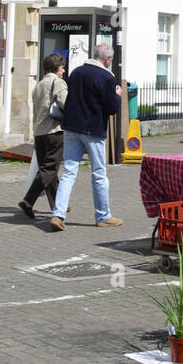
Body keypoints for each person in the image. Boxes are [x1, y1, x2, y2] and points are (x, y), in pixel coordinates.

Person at [49, 42, 123, 231]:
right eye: (110, 59)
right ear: (107, 59)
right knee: (99, 173)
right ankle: (103, 215)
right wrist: (118, 96)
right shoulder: (107, 77)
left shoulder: (76, 72)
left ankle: (58, 214)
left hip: (72, 127)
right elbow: (111, 108)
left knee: (68, 172)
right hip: (93, 130)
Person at [19, 53, 68, 218]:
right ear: (56, 68)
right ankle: (28, 201)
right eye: (62, 68)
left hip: (39, 131)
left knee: (47, 169)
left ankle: (59, 204)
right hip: (53, 130)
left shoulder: (38, 85)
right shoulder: (58, 82)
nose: (63, 71)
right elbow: (64, 103)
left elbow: (35, 110)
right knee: (49, 168)